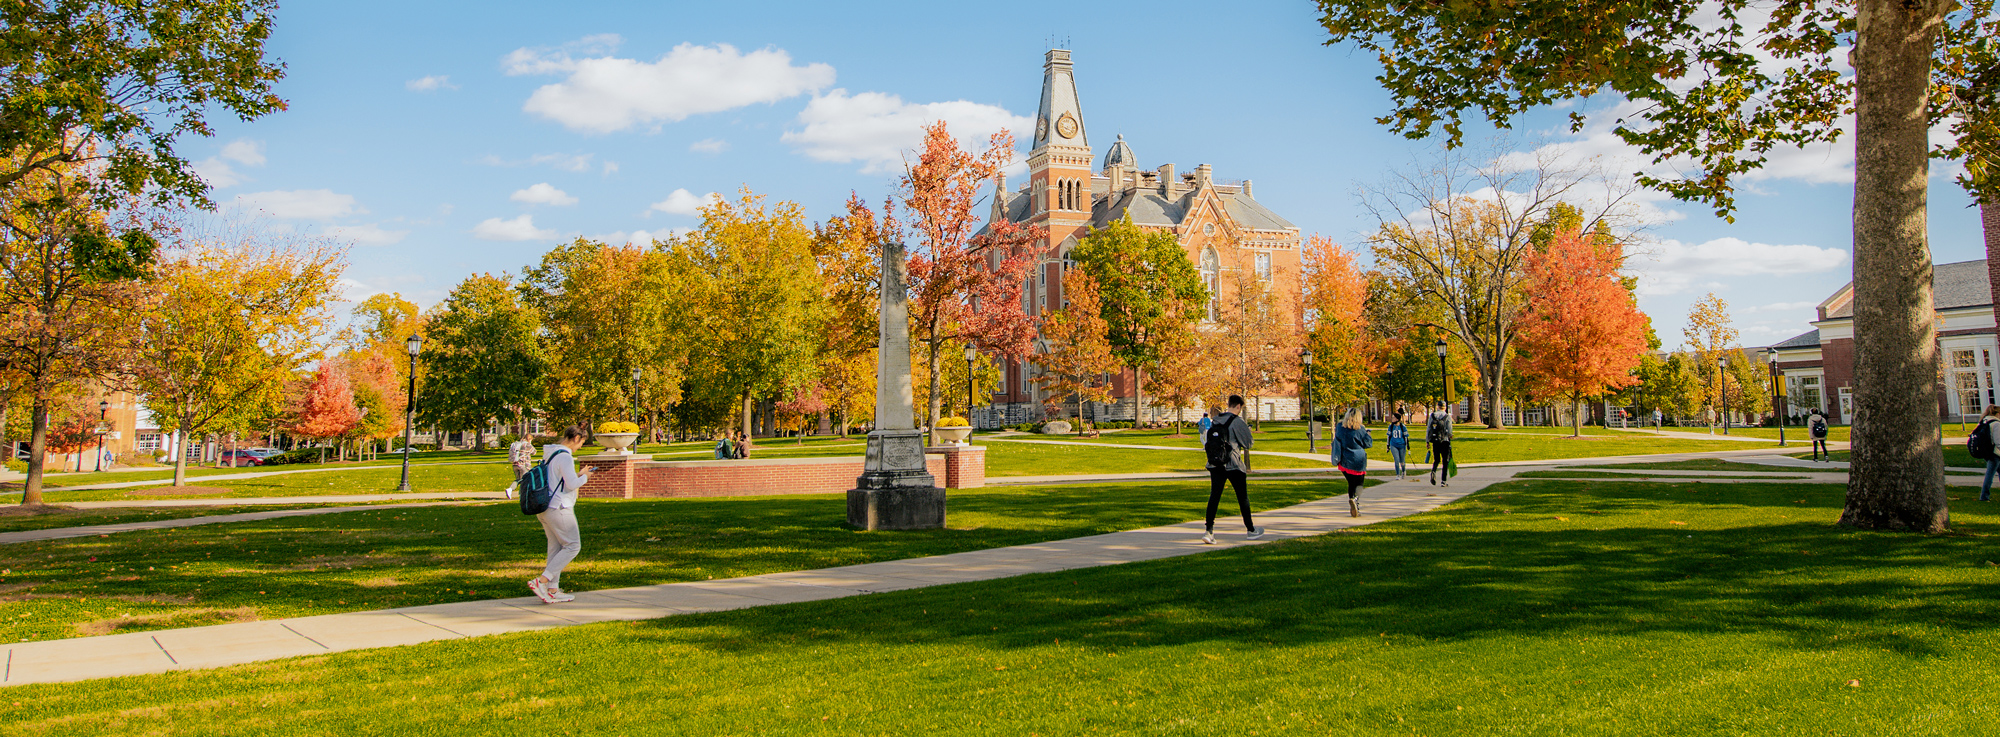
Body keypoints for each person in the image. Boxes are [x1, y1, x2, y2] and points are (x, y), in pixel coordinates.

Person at [529, 426, 594, 604]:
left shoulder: (550, 453)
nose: (580, 446)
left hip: (545, 507)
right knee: (573, 545)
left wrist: (578, 474)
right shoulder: (565, 456)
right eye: (581, 442)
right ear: (576, 438)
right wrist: (586, 476)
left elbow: (559, 480)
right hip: (559, 507)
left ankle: (552, 589)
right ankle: (541, 581)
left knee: (556, 548)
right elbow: (572, 484)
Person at [1201, 396, 1265, 545]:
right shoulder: (1237, 422)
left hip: (1215, 464)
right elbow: (1248, 443)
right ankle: (1250, 530)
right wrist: (1247, 431)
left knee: (1214, 497)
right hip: (1233, 464)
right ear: (1238, 407)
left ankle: (1209, 531)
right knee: (1242, 497)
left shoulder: (1216, 420)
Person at [1333, 408, 1374, 517]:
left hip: (1345, 459)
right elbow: (1368, 444)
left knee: (1351, 483)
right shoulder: (1360, 429)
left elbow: (1337, 440)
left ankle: (1352, 499)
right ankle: (1356, 501)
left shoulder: (1340, 427)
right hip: (1358, 460)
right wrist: (1368, 434)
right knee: (1359, 484)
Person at [1427, 406, 1454, 487]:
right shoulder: (1447, 416)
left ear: (1438, 407)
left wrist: (1427, 441)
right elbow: (1449, 429)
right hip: (1444, 440)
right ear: (1445, 407)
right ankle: (1443, 481)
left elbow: (1428, 429)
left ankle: (1434, 471)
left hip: (1435, 441)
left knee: (1436, 459)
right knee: (1445, 461)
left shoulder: (1432, 416)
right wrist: (1450, 435)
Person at [1978, 406, 2000, 502]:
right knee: (1990, 474)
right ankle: (1984, 496)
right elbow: (1998, 441)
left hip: (1987, 452)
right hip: (1995, 453)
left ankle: (1984, 495)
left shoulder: (1984, 422)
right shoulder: (1996, 424)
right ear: (1997, 414)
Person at [1385, 412, 1409, 481]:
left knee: (1402, 461)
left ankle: (1403, 471)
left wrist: (1407, 445)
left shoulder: (1402, 426)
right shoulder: (1391, 426)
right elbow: (1388, 436)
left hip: (1402, 445)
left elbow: (1406, 437)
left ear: (1397, 419)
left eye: (1393, 418)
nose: (1392, 419)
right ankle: (1397, 474)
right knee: (1396, 460)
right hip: (1393, 444)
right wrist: (1388, 445)